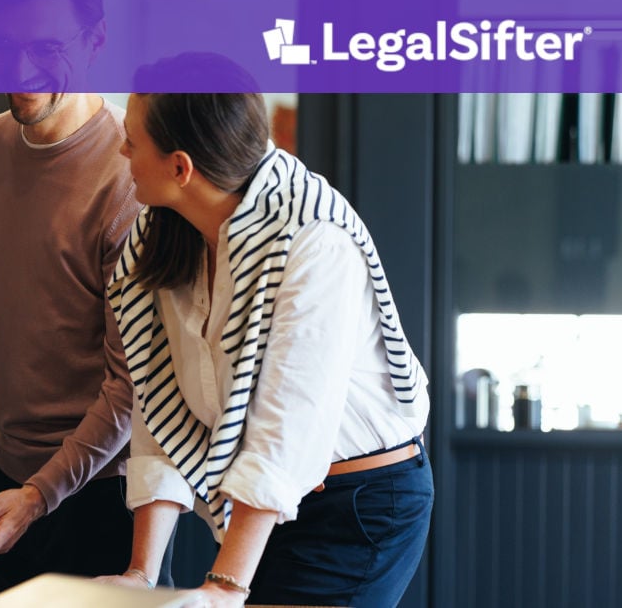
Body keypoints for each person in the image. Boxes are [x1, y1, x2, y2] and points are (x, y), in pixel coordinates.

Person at [101, 57, 433, 607]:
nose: (122, 153)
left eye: (132, 141)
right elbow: (160, 402)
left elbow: (288, 428)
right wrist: (142, 573)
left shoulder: (314, 239)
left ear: (180, 168)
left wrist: (225, 587)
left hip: (359, 505)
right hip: (265, 506)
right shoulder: (163, 232)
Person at [0, 0, 172, 593]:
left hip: (100, 495)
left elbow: (133, 383)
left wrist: (39, 493)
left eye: (46, 48)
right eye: (2, 45)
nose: (21, 69)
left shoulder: (131, 176)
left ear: (96, 40)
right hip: (2, 484)